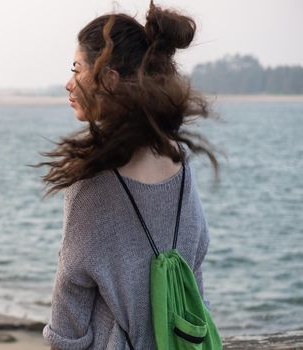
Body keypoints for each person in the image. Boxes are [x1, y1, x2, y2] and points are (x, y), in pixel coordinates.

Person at [33, 1, 221, 349]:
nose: (68, 83)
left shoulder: (93, 182)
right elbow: (195, 271)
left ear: (109, 79)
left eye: (77, 69)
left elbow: (68, 309)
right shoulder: (179, 162)